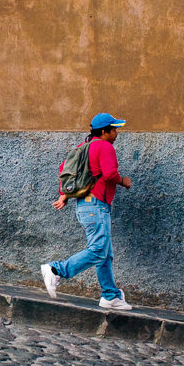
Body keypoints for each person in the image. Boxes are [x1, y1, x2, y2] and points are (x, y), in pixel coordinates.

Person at [40, 113, 133, 310]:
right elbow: (109, 174)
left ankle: (110, 295)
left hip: (85, 205)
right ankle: (57, 270)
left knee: (105, 252)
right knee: (99, 250)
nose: (116, 133)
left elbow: (66, 169)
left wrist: (63, 195)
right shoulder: (105, 147)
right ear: (104, 131)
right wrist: (123, 181)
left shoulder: (84, 147)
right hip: (97, 206)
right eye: (114, 129)